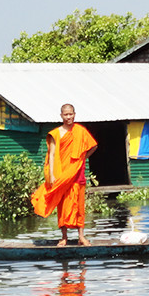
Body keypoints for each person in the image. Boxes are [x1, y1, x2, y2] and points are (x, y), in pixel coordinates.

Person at [31, 103, 97, 246]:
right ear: (61, 116)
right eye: (66, 114)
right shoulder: (56, 133)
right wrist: (53, 175)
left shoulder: (80, 131)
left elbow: (94, 146)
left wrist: (82, 158)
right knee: (63, 206)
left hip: (77, 173)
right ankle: (64, 237)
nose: (68, 117)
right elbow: (52, 155)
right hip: (62, 174)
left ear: (74, 114)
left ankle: (81, 237)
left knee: (79, 206)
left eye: (71, 114)